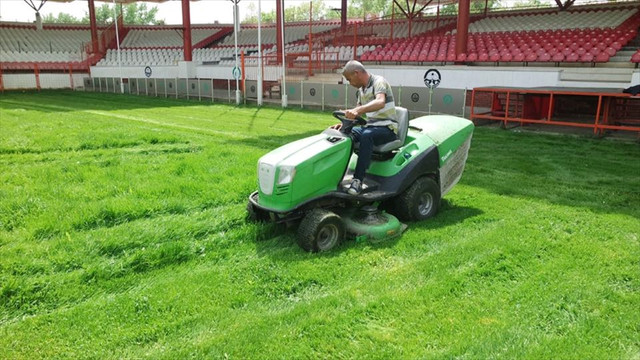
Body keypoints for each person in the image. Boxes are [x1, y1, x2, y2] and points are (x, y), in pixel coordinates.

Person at [337, 60, 397, 195]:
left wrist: (357, 110)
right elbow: (358, 115)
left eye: (349, 79)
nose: (349, 82)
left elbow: (380, 102)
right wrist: (344, 124)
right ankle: (337, 174)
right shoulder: (360, 91)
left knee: (366, 135)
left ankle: (357, 180)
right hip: (370, 127)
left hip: (387, 128)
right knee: (343, 134)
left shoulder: (379, 82)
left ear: (356, 73)